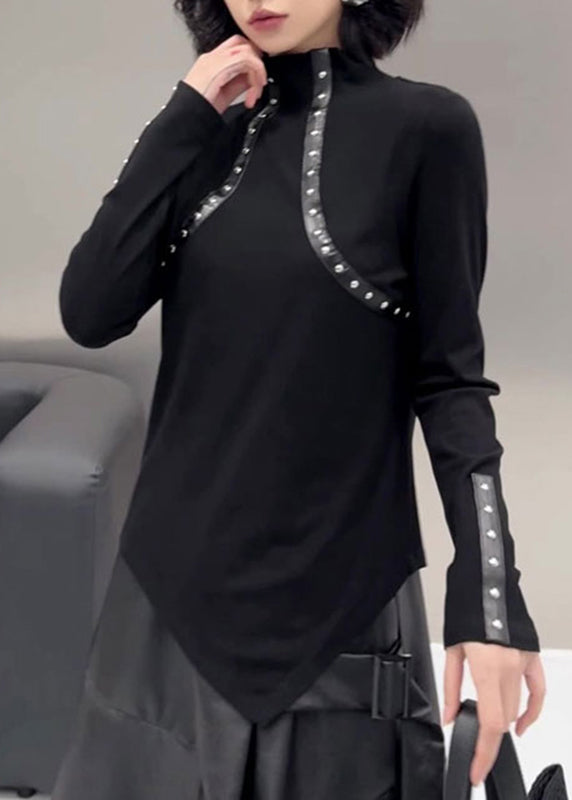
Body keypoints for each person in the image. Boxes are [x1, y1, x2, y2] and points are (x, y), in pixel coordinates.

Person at [51, 0, 546, 798]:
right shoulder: (205, 132)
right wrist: (183, 118)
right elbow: (89, 311)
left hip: (334, 611)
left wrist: (491, 601)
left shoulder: (427, 130)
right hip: (164, 606)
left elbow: (451, 380)